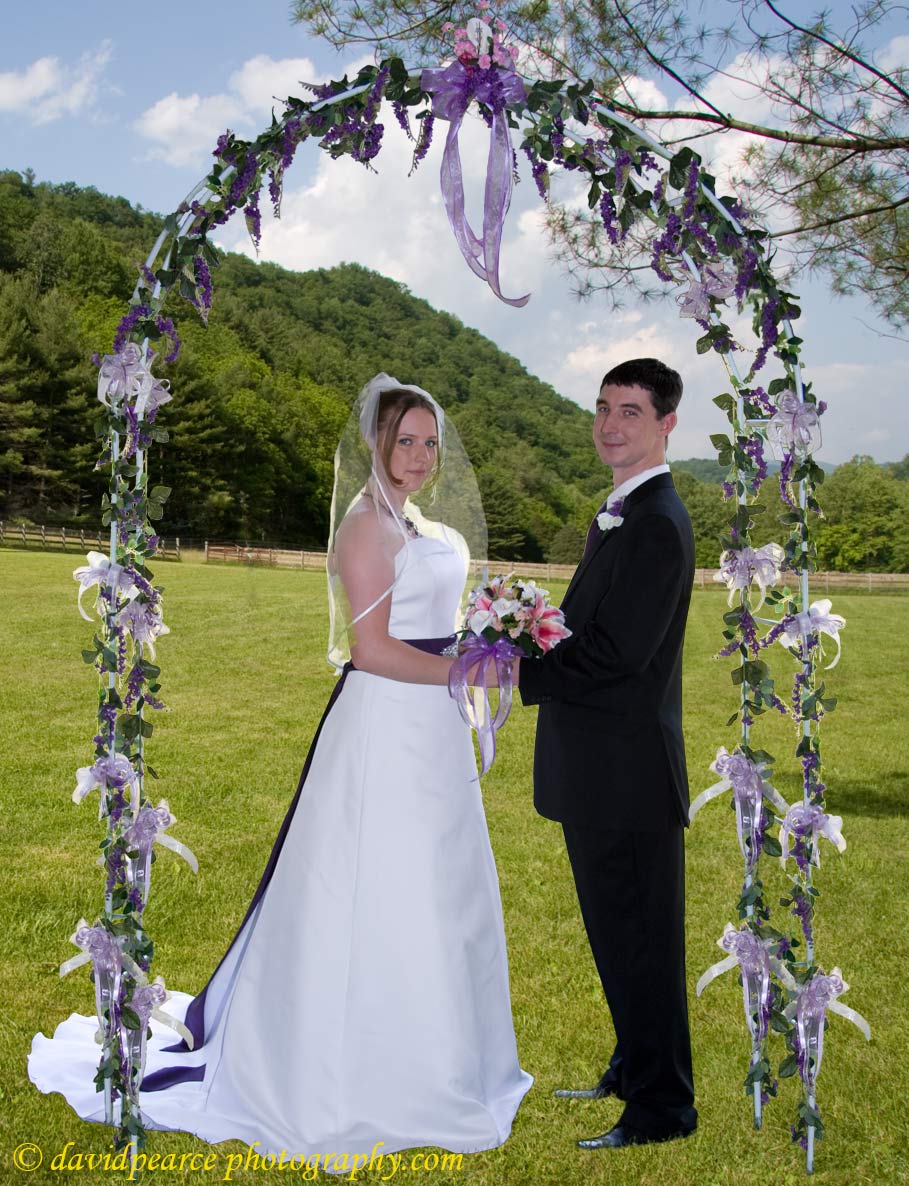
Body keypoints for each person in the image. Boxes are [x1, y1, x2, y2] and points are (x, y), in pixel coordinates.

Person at [28, 373, 532, 1159]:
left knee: (438, 882)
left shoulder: (419, 524)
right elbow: (370, 651)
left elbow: (432, 623)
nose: (420, 454)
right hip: (383, 725)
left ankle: (440, 1050)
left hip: (432, 731)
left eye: (430, 442)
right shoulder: (366, 529)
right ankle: (345, 1065)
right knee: (372, 879)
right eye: (405, 440)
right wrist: (468, 674)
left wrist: (484, 646)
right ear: (376, 441)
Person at [514, 358, 697, 1150]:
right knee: (616, 936)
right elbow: (589, 630)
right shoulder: (621, 511)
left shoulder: (655, 521)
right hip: (598, 772)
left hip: (625, 776)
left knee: (642, 942)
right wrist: (530, 627)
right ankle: (631, 1065)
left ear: (665, 425)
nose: (609, 424)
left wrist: (512, 668)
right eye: (602, 408)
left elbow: (619, 656)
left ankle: (661, 1107)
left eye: (629, 410)